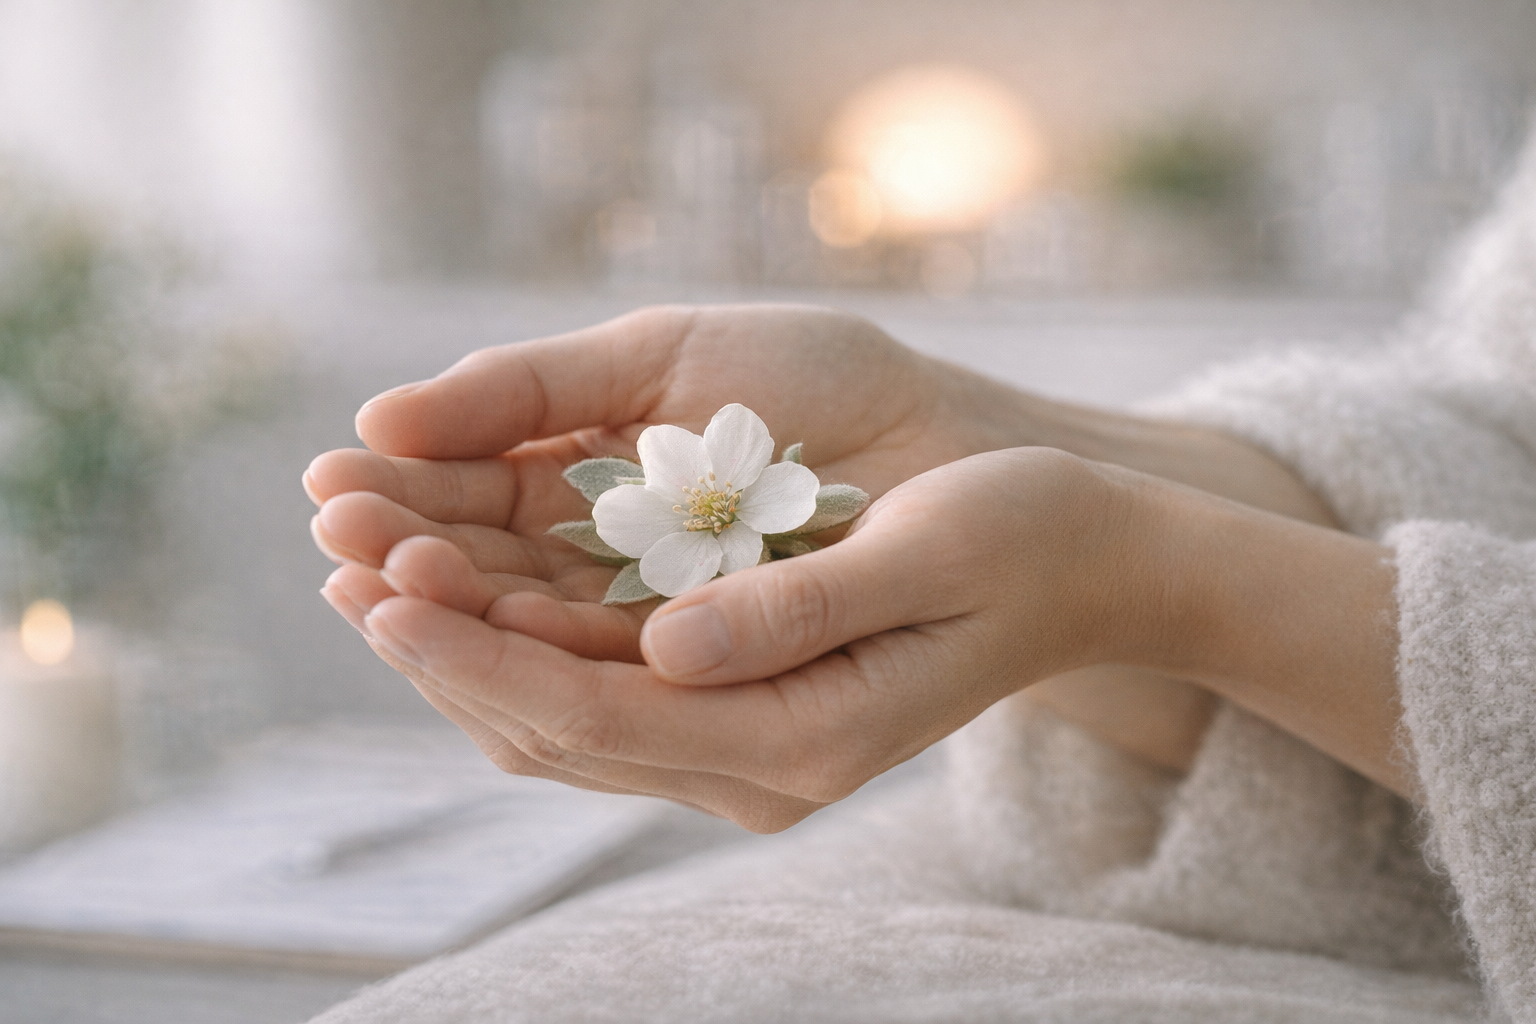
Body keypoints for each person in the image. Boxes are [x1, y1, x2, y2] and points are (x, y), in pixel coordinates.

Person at [301, 137, 1536, 1022]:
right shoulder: (703, 498)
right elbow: (1501, 407)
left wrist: (1161, 579)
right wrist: (983, 431)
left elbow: (1141, 562)